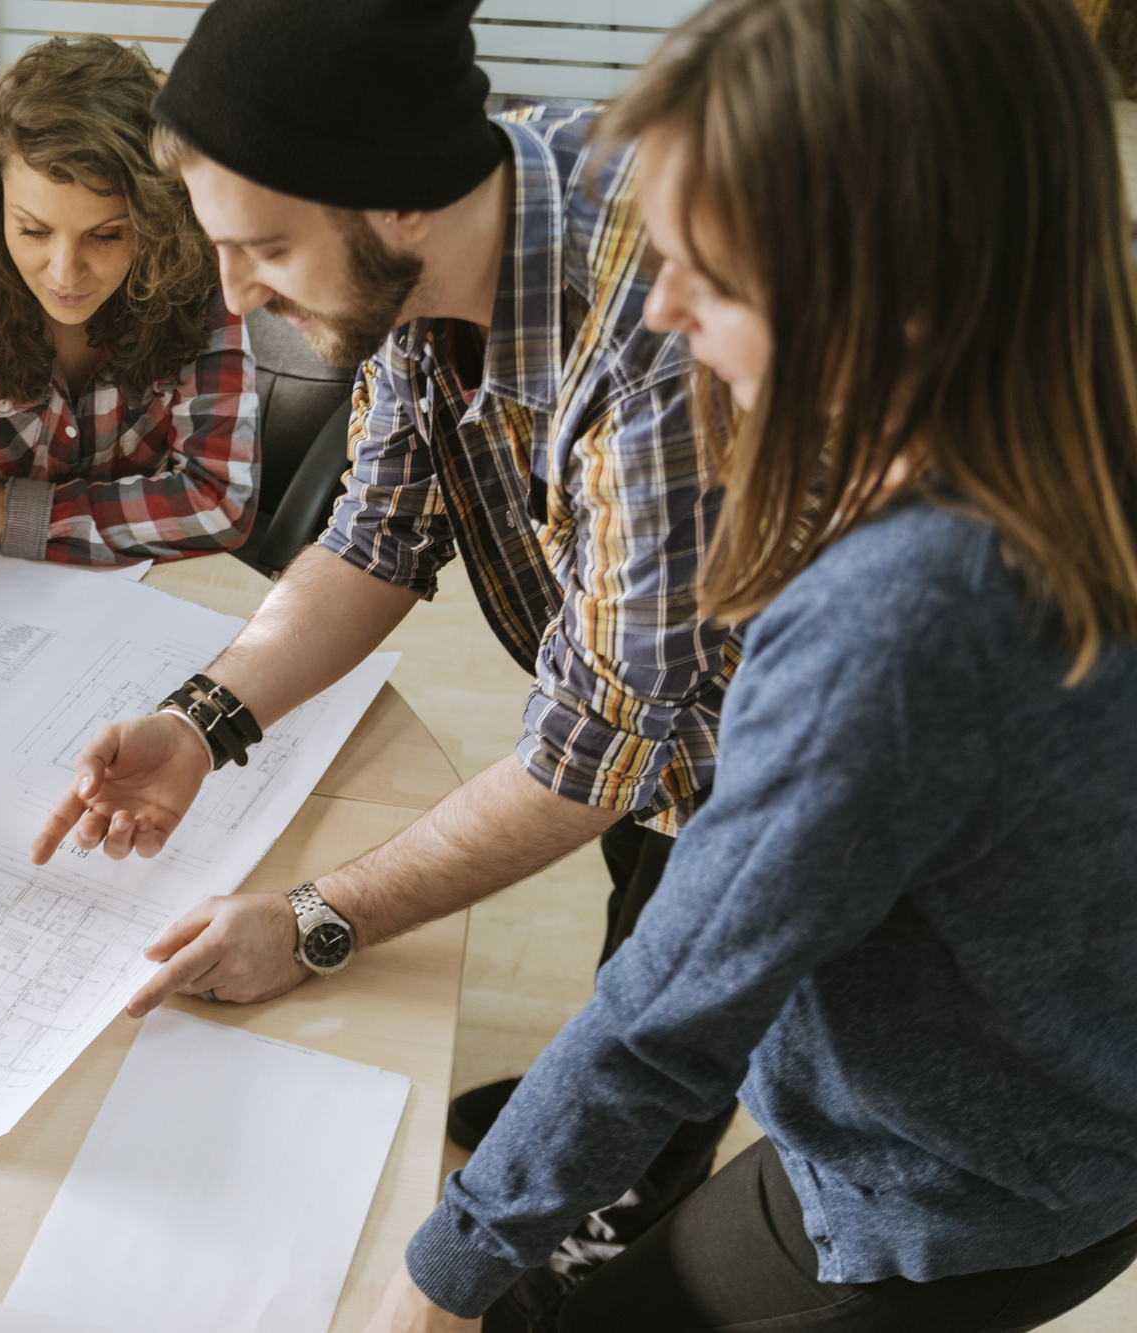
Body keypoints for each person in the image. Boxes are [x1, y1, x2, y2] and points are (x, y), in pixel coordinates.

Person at [361, 0, 1137, 1329]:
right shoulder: (1074, 401)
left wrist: (445, 1273)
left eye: (710, 274)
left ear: (895, 293)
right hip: (1020, 1103)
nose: (659, 306)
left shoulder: (899, 620)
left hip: (957, 1191)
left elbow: (673, 1006)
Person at [31, 0, 735, 1272]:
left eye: (266, 251)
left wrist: (315, 920)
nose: (237, 296)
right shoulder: (444, 214)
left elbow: (593, 761)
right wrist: (201, 719)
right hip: (641, 723)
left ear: (400, 202)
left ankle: (629, 1195)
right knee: (644, 908)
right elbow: (376, 533)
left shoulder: (657, 350)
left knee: (682, 981)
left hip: (779, 744)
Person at [0, 35, 258, 920]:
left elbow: (219, 501)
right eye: (33, 231)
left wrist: (8, 517)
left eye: (107, 237)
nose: (66, 273)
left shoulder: (202, 281)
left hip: (143, 612)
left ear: (158, 212)